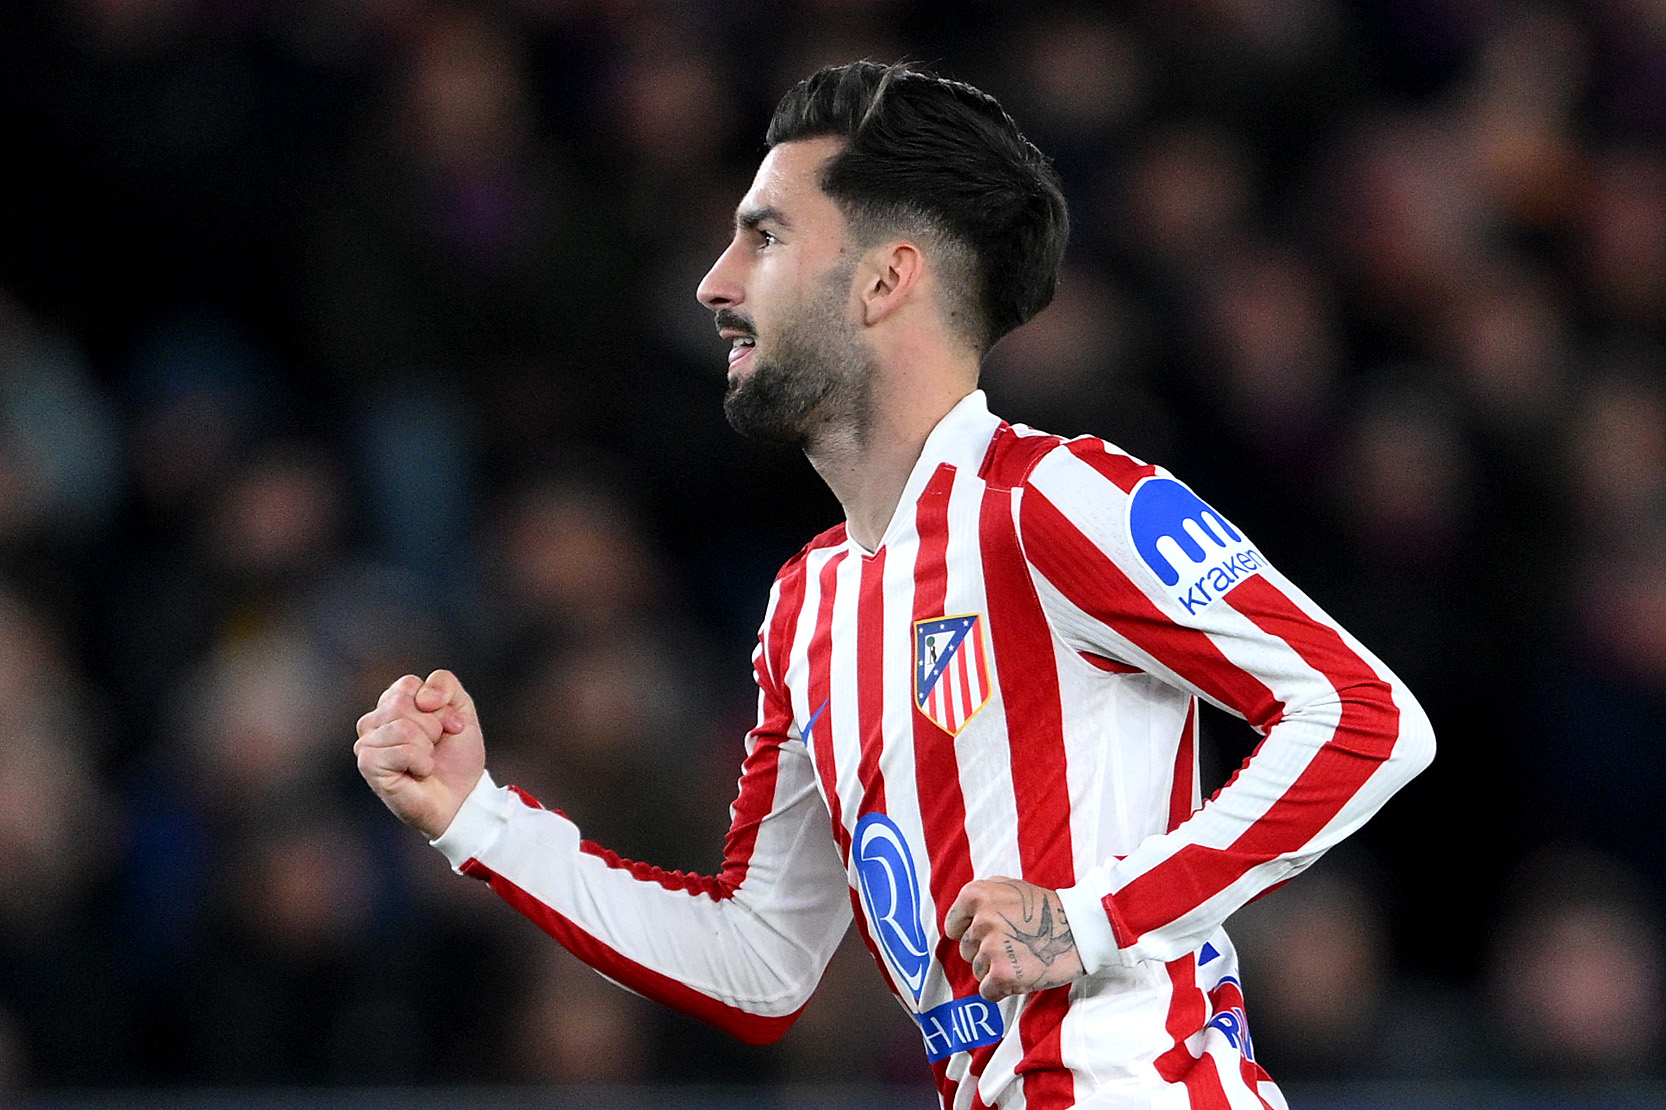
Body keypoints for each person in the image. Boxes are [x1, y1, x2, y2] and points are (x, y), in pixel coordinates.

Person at [354, 61, 1435, 1109]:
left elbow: (1367, 720)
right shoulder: (806, 606)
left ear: (884, 279)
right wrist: (479, 821)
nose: (715, 283)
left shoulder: (1053, 498)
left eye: (764, 235)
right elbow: (764, 957)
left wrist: (1088, 919)